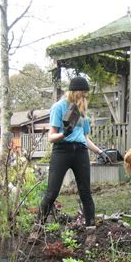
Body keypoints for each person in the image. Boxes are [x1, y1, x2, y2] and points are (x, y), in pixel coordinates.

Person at [35, 76, 110, 238]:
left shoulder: (83, 112)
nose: (84, 97)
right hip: (62, 151)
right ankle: (37, 228)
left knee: (85, 192)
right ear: (73, 92)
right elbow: (51, 137)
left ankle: (91, 229)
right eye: (82, 93)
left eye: (85, 94)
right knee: (52, 192)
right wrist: (64, 133)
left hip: (80, 152)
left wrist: (100, 152)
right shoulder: (59, 107)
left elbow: (85, 138)